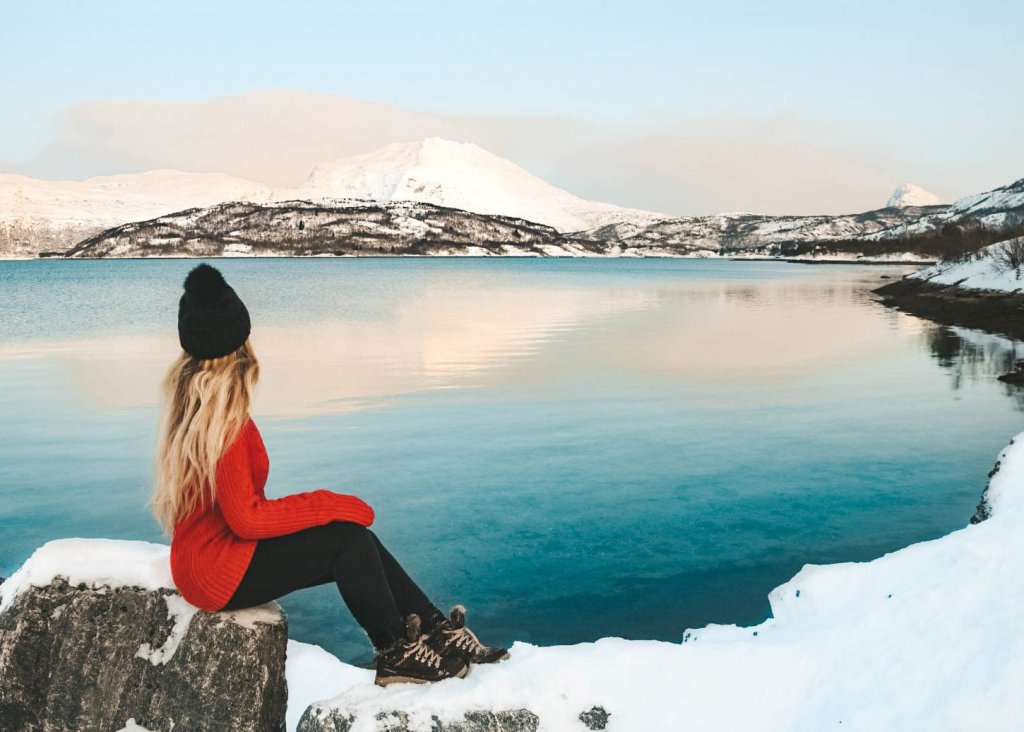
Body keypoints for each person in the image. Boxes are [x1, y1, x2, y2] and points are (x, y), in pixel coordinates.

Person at [149, 262, 508, 686]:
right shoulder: (223, 423)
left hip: (207, 561)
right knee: (346, 539)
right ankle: (395, 653)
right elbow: (247, 518)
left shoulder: (192, 405)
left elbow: (237, 514)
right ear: (239, 347)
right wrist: (331, 503)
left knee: (357, 542)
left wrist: (330, 512)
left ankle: (434, 632)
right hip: (216, 572)